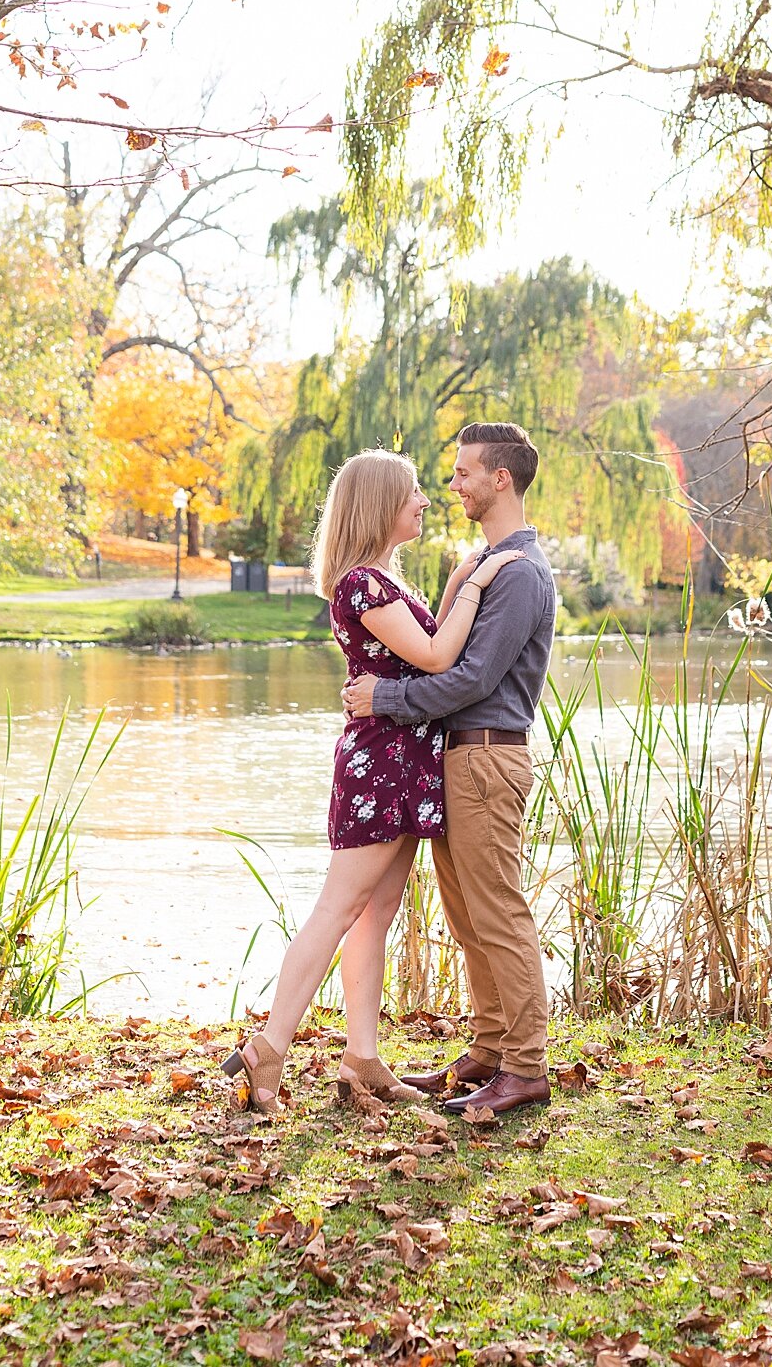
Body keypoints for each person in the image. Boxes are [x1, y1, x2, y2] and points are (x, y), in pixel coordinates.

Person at [221, 448, 521, 1114]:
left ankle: (362, 1057)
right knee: (337, 909)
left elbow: (430, 640)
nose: (424, 500)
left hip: (402, 762)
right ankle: (267, 1048)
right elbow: (442, 655)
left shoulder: (384, 582)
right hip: (381, 765)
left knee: (374, 914)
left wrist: (459, 581)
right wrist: (477, 580)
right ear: (381, 503)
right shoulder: (362, 584)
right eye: (413, 492)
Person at [342, 422, 557, 1118]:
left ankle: (526, 1066)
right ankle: (491, 1048)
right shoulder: (487, 564)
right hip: (457, 757)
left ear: (501, 479)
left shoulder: (519, 572)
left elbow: (468, 677)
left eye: (464, 472)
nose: (452, 484)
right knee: (469, 915)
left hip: (489, 754)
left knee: (499, 911)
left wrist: (386, 697)